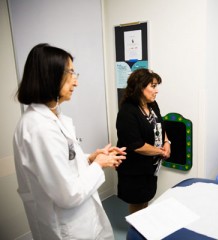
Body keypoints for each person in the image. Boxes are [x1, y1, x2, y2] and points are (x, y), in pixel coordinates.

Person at [13, 43, 126, 240]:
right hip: (67, 228)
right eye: (71, 73)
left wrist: (90, 159)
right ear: (51, 75)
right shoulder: (40, 128)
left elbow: (63, 162)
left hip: (81, 220)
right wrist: (99, 165)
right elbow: (68, 194)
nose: (76, 82)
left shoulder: (53, 118)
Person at [116, 68, 171, 214]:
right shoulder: (127, 112)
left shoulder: (152, 105)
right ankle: (136, 232)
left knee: (145, 198)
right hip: (134, 168)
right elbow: (137, 145)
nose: (156, 90)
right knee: (137, 201)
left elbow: (160, 126)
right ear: (140, 87)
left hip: (150, 166)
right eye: (153, 86)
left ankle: (143, 225)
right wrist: (161, 151)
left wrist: (167, 143)